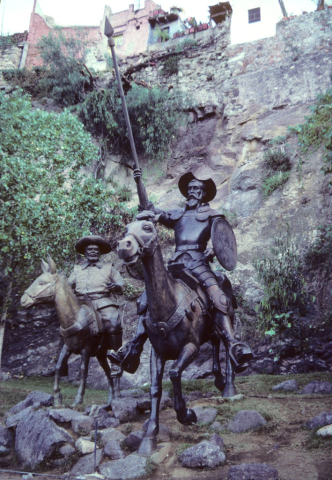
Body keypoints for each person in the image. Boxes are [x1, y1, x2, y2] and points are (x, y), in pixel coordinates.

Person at [108, 171, 253, 374]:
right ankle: (134, 346)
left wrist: (214, 250)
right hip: (176, 265)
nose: (193, 192)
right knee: (145, 301)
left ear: (203, 194)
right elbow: (149, 209)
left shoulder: (212, 215)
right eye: (191, 189)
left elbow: (224, 240)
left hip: (199, 264)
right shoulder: (178, 215)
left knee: (218, 297)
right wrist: (139, 180)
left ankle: (233, 344)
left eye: (197, 189)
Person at [68, 235, 125, 377]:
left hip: (102, 301)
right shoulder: (77, 270)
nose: (92, 251)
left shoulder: (109, 268)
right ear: (85, 252)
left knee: (114, 322)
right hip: (81, 303)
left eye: (95, 249)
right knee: (65, 325)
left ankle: (116, 360)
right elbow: (68, 285)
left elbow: (121, 283)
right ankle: (59, 363)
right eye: (89, 249)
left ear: (100, 252)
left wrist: (116, 286)